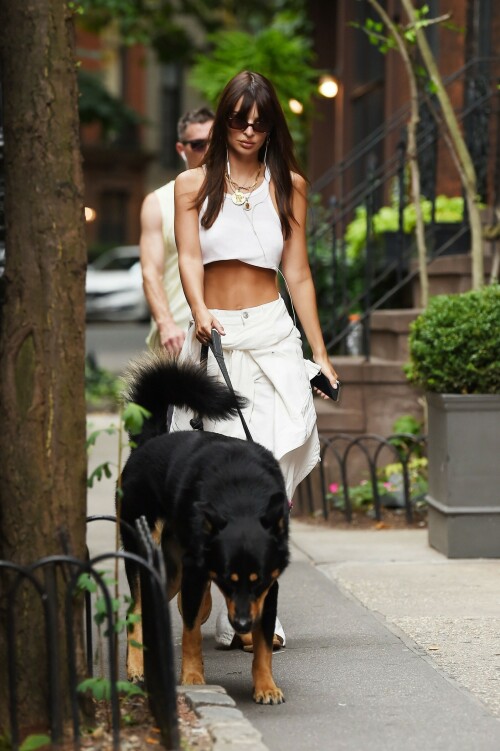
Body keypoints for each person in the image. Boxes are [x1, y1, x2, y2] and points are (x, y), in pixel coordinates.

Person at [172, 71, 340, 649]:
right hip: (216, 335)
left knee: (270, 473)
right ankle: (225, 610)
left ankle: (262, 611)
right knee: (220, 479)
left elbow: (297, 272)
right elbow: (189, 257)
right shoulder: (192, 185)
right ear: (223, 121)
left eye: (259, 121)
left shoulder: (288, 185)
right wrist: (197, 308)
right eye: (239, 120)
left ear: (272, 125)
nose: (248, 130)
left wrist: (319, 351)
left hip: (272, 335)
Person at [140, 107, 214, 354]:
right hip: (178, 335)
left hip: (229, 331)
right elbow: (151, 272)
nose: (209, 150)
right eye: (198, 144)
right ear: (181, 149)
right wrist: (166, 324)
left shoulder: (237, 197)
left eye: (215, 142)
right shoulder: (158, 201)